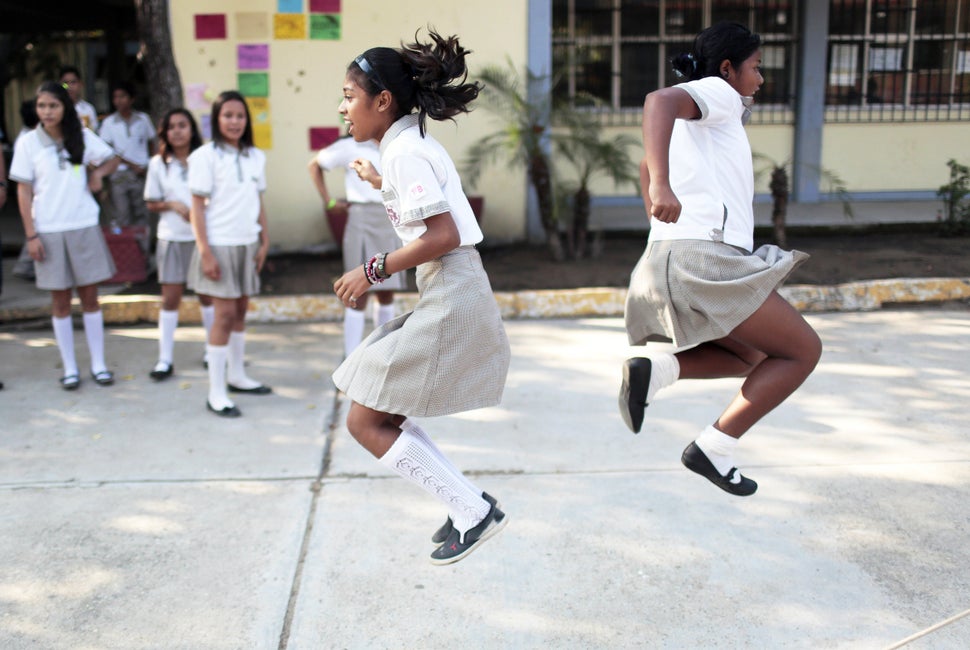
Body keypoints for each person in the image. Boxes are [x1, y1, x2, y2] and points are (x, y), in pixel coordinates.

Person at [619, 22, 822, 497]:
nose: (761, 78)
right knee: (802, 351)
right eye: (756, 67)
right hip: (703, 258)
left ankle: (658, 371)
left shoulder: (704, 120)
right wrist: (662, 187)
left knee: (751, 353)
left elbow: (645, 163)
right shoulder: (718, 92)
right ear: (728, 68)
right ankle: (715, 447)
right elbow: (658, 101)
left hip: (667, 257)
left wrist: (658, 192)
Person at [331, 30, 511, 565]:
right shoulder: (405, 149)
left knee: (366, 421)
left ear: (381, 101)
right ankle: (468, 506)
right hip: (450, 288)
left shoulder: (407, 151)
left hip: (452, 290)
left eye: (348, 95)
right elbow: (426, 212)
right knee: (380, 413)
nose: (344, 109)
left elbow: (442, 235)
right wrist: (378, 179)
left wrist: (372, 269)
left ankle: (473, 511)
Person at [9, 81, 121, 390]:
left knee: (90, 298)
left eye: (53, 106)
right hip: (48, 229)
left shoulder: (81, 137)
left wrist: (97, 174)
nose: (46, 111)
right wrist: (31, 235)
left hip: (83, 225)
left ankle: (98, 364)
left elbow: (113, 158)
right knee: (59, 302)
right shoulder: (28, 143)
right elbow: (24, 190)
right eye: (41, 106)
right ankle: (70, 368)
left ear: (65, 108)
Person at [188, 90, 271, 417]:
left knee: (239, 312)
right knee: (222, 316)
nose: (234, 122)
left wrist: (264, 239)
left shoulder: (255, 156)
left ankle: (237, 376)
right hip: (218, 245)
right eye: (227, 116)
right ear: (216, 120)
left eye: (239, 116)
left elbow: (259, 201)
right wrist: (205, 251)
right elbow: (196, 208)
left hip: (247, 243)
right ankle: (216, 391)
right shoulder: (204, 157)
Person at [308, 135, 404, 357]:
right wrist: (329, 202)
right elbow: (314, 165)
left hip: (390, 218)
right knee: (357, 293)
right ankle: (351, 359)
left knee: (387, 291)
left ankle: (384, 354)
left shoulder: (396, 143)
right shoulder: (349, 146)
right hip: (361, 218)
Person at [144, 108, 214, 380]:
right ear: (165, 132)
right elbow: (151, 202)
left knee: (207, 297)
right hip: (171, 238)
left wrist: (200, 208)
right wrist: (172, 205)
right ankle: (164, 359)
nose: (177, 131)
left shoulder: (203, 159)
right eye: (171, 126)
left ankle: (212, 350)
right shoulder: (158, 164)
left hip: (201, 239)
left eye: (182, 125)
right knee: (170, 298)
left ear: (191, 129)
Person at [99, 81, 155, 253]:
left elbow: (152, 142)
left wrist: (148, 163)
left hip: (141, 175)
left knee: (142, 217)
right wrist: (131, 164)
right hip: (119, 176)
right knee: (123, 217)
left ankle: (143, 256)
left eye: (122, 96)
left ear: (131, 99)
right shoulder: (109, 123)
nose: (118, 100)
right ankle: (127, 256)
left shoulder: (143, 119)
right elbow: (107, 152)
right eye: (116, 97)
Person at [12, 99, 41, 281]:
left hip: (36, 190)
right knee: (35, 228)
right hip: (33, 191)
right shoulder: (26, 139)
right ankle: (25, 264)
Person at [59, 65, 99, 131]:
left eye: (73, 82)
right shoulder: (56, 108)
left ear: (80, 84)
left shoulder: (88, 109)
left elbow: (93, 133)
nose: (69, 87)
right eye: (65, 83)